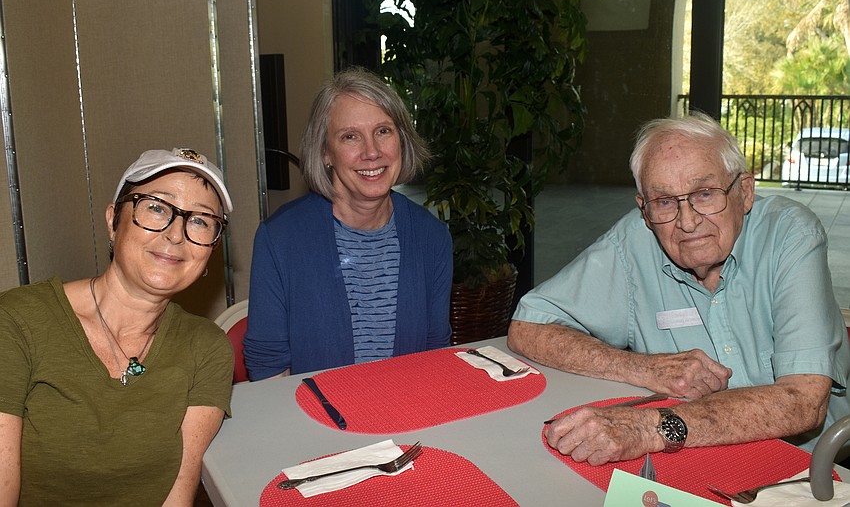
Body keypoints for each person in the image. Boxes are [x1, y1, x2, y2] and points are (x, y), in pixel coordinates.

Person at [507, 112, 850, 465]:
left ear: (745, 192)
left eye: (704, 193)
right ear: (644, 209)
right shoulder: (634, 242)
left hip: (810, 464)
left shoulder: (790, 235)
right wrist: (644, 368)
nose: (687, 222)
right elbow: (528, 327)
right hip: (694, 456)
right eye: (665, 201)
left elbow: (803, 401)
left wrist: (651, 428)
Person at [0, 148, 235, 505]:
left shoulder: (207, 348)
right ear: (113, 221)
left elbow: (179, 495)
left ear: (210, 251)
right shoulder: (18, 322)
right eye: (156, 207)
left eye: (200, 221)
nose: (176, 234)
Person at [243, 67, 452, 379]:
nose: (372, 152)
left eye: (383, 131)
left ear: (401, 139)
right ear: (326, 152)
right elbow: (268, 367)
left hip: (407, 414)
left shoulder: (432, 237)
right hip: (312, 419)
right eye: (350, 136)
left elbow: (436, 353)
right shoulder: (280, 239)